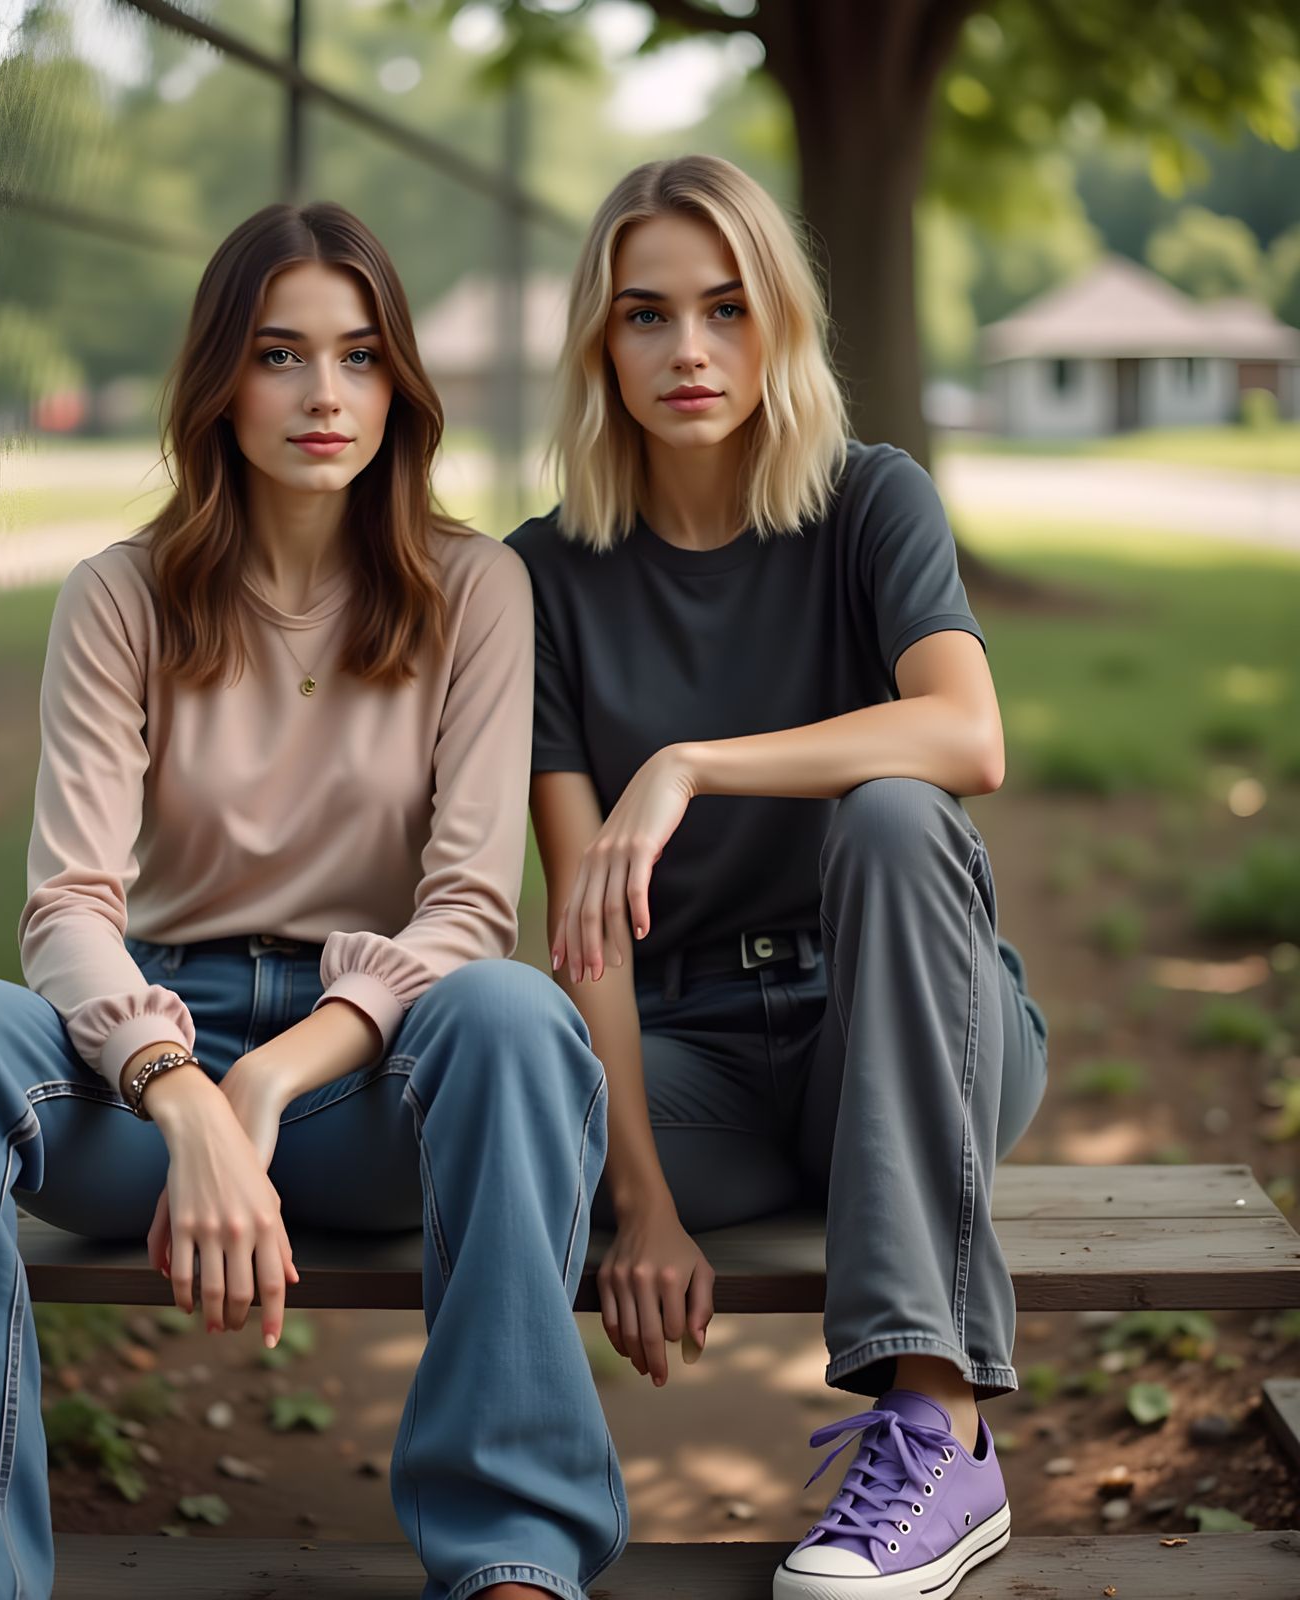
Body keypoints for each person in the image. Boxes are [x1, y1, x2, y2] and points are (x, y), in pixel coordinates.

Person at [0, 201, 627, 1600]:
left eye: (362, 356)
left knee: (515, 1014)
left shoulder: (474, 588)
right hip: (148, 1066)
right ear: (218, 383)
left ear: (401, 384)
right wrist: (183, 1091)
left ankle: (511, 1560)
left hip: (375, 1083)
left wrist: (271, 1086)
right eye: (280, 355)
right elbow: (67, 904)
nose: (325, 396)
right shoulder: (119, 597)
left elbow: (469, 911)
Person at [506, 155, 1050, 1600]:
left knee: (893, 813)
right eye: (646, 316)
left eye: (728, 309)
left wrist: (688, 761)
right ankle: (518, 1530)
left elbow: (967, 734)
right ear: (598, 343)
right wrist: (641, 1201)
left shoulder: (873, 502)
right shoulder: (541, 578)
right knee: (463, 1142)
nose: (689, 352)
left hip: (908, 1019)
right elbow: (585, 926)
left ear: (781, 328)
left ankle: (940, 1430)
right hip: (696, 1067)